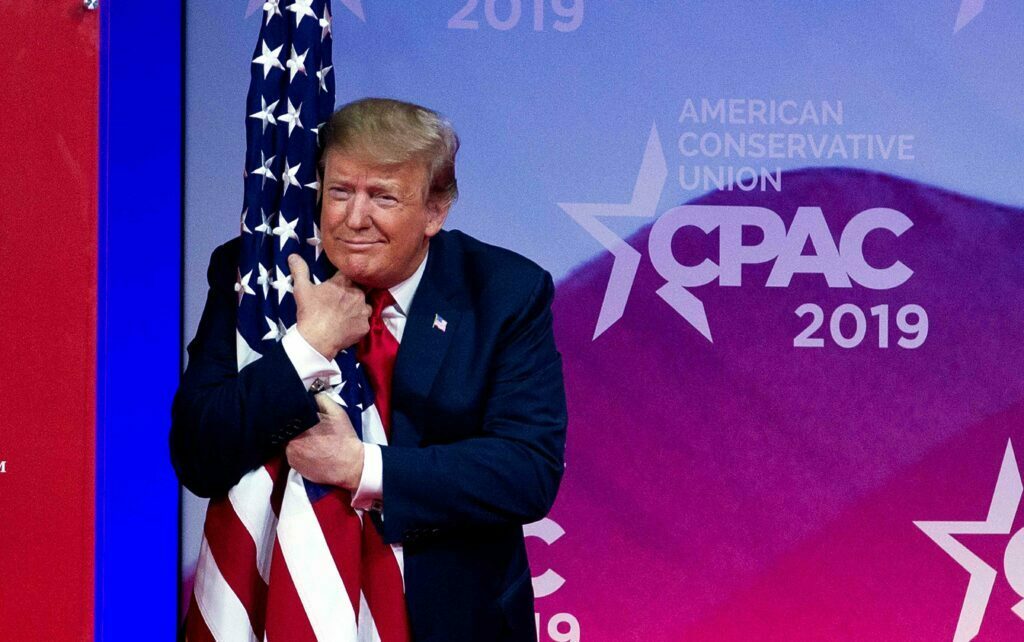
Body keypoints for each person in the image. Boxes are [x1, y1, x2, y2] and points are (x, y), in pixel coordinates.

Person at [171, 97, 567, 641]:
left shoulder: (502, 293)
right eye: (339, 192)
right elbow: (198, 455)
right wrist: (306, 349)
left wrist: (362, 467)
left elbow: (527, 470)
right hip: (279, 613)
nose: (354, 218)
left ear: (435, 210)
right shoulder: (256, 281)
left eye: (383, 196)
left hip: (447, 620)